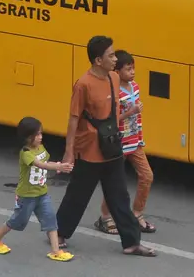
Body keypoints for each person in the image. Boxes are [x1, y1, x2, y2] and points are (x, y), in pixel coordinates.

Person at [55, 36, 156, 257]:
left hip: (111, 147)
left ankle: (131, 242)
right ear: (98, 60)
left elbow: (117, 109)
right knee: (78, 195)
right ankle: (59, 233)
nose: (115, 58)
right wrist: (69, 151)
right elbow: (73, 118)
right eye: (111, 55)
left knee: (119, 196)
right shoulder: (83, 84)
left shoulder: (113, 77)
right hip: (90, 149)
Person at [0, 117, 75, 261]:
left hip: (42, 193)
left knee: (51, 220)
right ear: (27, 137)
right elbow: (41, 165)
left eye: (41, 133)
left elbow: (46, 162)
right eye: (37, 134)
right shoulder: (26, 153)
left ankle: (56, 251)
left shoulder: (41, 148)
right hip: (26, 196)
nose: (40, 137)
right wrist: (58, 166)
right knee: (17, 221)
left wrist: (57, 165)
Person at [95, 50, 156, 236]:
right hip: (119, 144)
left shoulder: (135, 87)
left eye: (133, 69)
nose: (132, 72)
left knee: (147, 176)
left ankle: (137, 214)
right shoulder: (112, 91)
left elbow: (137, 118)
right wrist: (131, 112)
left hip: (135, 142)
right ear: (117, 71)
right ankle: (105, 217)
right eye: (128, 69)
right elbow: (111, 119)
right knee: (115, 182)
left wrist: (139, 137)